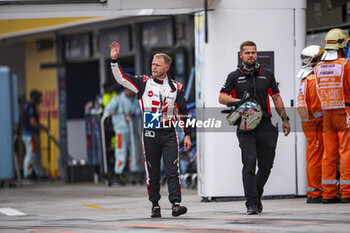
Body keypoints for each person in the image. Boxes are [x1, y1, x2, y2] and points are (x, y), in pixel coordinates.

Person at [109, 41, 192, 217]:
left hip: (169, 133)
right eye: (152, 64)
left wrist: (187, 134)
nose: (153, 67)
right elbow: (121, 78)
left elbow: (183, 112)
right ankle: (155, 205)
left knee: (172, 170)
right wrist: (115, 61)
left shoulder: (176, 87)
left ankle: (176, 204)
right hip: (150, 133)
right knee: (152, 172)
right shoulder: (143, 82)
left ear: (167, 67)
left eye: (157, 65)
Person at [219, 41, 291, 215]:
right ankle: (251, 203)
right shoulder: (234, 76)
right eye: (247, 53)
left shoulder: (267, 74)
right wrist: (238, 102)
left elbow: (276, 97)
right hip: (245, 125)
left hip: (265, 124)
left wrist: (285, 118)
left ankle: (256, 194)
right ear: (241, 55)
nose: (251, 55)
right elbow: (221, 97)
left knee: (266, 166)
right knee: (249, 163)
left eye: (253, 52)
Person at [314, 28, 350, 204]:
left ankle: (328, 193)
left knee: (328, 154)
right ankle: (346, 192)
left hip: (327, 114)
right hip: (345, 112)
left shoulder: (318, 67)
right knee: (346, 152)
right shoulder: (346, 64)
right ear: (342, 44)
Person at [296, 45, 325, 203]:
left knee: (312, 156)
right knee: (316, 156)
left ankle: (313, 189)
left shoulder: (305, 78)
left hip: (308, 123)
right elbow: (316, 107)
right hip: (315, 124)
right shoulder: (313, 80)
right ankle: (315, 191)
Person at [104, 87, 142, 185]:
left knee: (135, 152)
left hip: (132, 131)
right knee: (121, 152)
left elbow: (139, 111)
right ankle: (118, 173)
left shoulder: (135, 100)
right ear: (126, 89)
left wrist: (133, 114)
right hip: (121, 131)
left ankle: (136, 173)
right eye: (130, 90)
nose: (132, 92)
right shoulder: (117, 99)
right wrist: (111, 112)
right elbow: (107, 110)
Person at [21, 90, 46, 179]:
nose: (40, 100)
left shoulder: (28, 106)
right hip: (31, 136)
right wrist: (43, 128)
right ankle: (28, 173)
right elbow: (33, 122)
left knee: (37, 156)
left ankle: (40, 173)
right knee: (31, 155)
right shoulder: (30, 107)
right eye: (39, 98)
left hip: (32, 135)